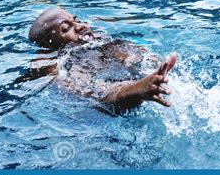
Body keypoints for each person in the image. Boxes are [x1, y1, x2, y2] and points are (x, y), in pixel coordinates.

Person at [28, 7, 176, 111]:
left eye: (76, 20)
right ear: (49, 45)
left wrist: (145, 64)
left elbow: (131, 54)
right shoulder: (56, 65)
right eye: (66, 29)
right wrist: (138, 89)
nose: (81, 26)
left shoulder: (97, 41)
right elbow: (95, 95)